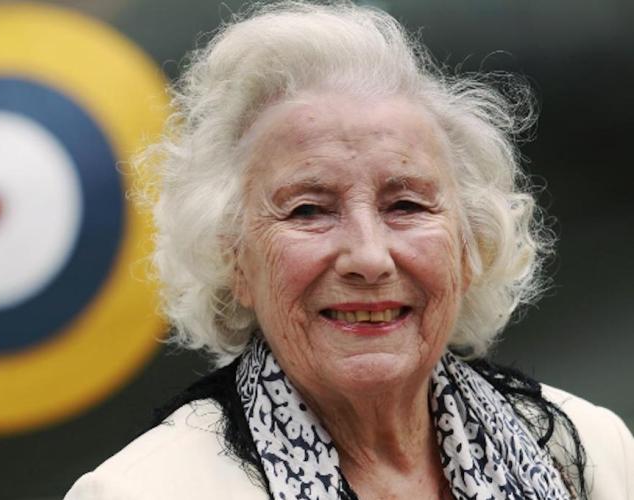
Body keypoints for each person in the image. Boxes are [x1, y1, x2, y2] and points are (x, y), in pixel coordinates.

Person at [64, 2, 634, 499]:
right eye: (308, 210)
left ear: (470, 246)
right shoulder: (140, 491)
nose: (369, 257)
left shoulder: (591, 453)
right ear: (235, 260)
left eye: (406, 205)